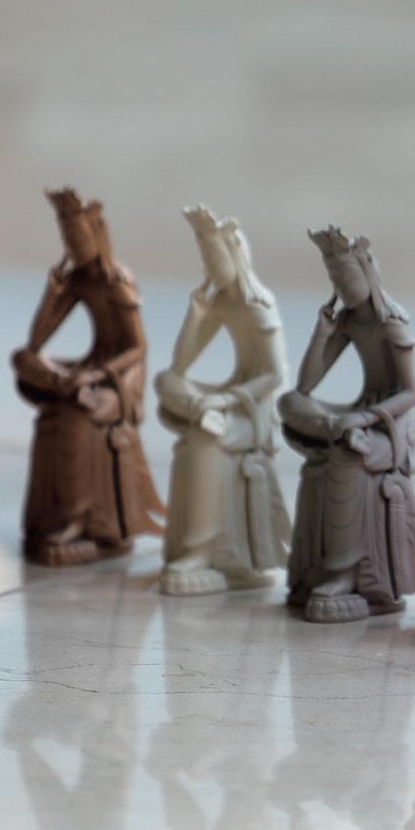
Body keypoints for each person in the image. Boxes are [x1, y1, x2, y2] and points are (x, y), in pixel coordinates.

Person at [280, 226, 415, 623]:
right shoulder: (348, 322)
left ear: (367, 274)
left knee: (348, 454)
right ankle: (339, 430)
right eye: (335, 278)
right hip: (353, 418)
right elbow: (306, 386)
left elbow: (411, 393)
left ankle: (344, 571)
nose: (342, 286)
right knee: (289, 402)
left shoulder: (391, 324)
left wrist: (362, 419)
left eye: (347, 276)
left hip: (389, 429)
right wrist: (322, 332)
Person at [12, 187, 163, 565]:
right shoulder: (79, 279)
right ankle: (64, 385)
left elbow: (138, 348)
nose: (74, 246)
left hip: (121, 379)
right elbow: (37, 341)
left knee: (75, 415)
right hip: (87, 371)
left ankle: (76, 520)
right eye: (68, 240)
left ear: (96, 236)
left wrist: (98, 375)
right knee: (23, 359)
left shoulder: (118, 280)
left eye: (79, 238)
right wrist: (52, 292)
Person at [155, 205, 290, 595]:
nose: (210, 266)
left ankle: (200, 551)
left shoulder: (259, 305)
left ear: (236, 258)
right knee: (166, 381)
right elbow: (181, 365)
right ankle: (201, 412)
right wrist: (196, 314)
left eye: (215, 258)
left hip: (254, 409)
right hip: (226, 401)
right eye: (205, 260)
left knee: (204, 443)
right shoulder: (222, 303)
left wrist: (226, 401)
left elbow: (275, 375)